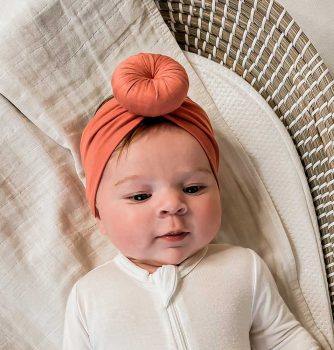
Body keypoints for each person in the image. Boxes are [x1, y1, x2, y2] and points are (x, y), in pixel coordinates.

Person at [63, 53, 319, 349]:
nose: (173, 204)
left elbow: (282, 339)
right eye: (141, 196)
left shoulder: (242, 268)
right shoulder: (91, 295)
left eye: (194, 188)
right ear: (98, 215)